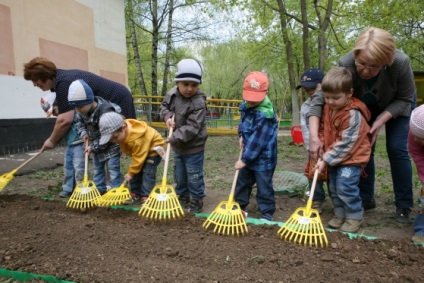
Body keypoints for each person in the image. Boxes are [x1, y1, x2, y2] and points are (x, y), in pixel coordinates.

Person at [308, 27, 416, 224]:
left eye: (374, 66)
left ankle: (403, 204)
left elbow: (406, 98)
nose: (366, 71)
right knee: (364, 147)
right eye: (362, 64)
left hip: (396, 105)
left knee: (396, 148)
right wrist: (315, 137)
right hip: (363, 106)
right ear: (355, 55)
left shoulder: (400, 63)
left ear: (386, 62)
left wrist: (379, 121)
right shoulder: (345, 63)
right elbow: (318, 100)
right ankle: (366, 199)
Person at [23, 57, 136, 152]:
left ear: (44, 76)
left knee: (125, 139)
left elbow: (64, 120)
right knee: (113, 142)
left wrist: (52, 141)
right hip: (113, 100)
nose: (34, 84)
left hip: (118, 98)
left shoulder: (63, 83)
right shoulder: (60, 81)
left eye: (35, 80)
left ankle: (130, 170)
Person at [314, 67, 371, 233]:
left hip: (352, 157)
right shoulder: (329, 108)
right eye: (327, 97)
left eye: (335, 98)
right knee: (334, 186)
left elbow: (347, 143)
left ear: (349, 93)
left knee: (346, 186)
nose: (330, 101)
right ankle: (340, 213)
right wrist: (321, 144)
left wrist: (326, 159)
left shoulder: (353, 115)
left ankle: (354, 215)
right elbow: (324, 128)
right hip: (334, 156)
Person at [159, 58, 208, 213]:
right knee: (179, 174)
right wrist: (167, 117)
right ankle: (182, 195)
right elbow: (164, 107)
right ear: (177, 83)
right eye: (185, 84)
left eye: (194, 85)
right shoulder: (172, 95)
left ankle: (196, 199)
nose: (189, 89)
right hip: (178, 146)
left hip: (194, 146)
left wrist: (174, 137)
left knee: (194, 175)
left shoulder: (199, 102)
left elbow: (193, 127)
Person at [234, 71, 278, 221]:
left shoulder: (265, 115)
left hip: (263, 158)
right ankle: (239, 206)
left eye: (255, 98)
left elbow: (257, 141)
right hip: (249, 153)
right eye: (249, 97)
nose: (251, 101)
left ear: (264, 93)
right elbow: (242, 123)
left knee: (264, 185)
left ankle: (266, 211)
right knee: (242, 181)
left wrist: (244, 160)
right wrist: (241, 135)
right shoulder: (246, 107)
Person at [98, 112, 165, 205]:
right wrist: (133, 171)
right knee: (136, 170)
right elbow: (137, 156)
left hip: (154, 149)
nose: (114, 141)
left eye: (115, 137)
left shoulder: (136, 139)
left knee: (147, 171)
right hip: (141, 150)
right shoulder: (123, 131)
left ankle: (146, 195)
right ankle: (135, 193)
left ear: (123, 127)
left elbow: (139, 157)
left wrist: (131, 173)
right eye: (111, 140)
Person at [68, 79, 122, 194]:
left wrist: (92, 148)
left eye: (80, 107)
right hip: (96, 145)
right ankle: (99, 191)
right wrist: (83, 132)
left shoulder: (105, 113)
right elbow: (79, 123)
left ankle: (115, 192)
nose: (78, 110)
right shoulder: (81, 110)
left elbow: (105, 139)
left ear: (90, 100)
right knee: (98, 169)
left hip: (110, 144)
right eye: (76, 108)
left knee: (113, 169)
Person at [40, 94, 84, 198]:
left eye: (54, 110)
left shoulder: (74, 113)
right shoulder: (61, 118)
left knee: (79, 168)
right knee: (68, 167)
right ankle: (68, 189)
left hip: (80, 144)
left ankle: (81, 189)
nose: (54, 114)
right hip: (69, 145)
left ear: (58, 104)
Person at [298, 68, 327, 213]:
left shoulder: (331, 102)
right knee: (313, 173)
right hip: (314, 147)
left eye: (313, 88)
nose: (310, 92)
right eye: (306, 89)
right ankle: (316, 199)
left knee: (333, 174)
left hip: (330, 146)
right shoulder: (305, 107)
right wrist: (311, 147)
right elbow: (305, 129)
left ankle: (338, 200)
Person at [408, 105, 424, 245]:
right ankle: (421, 230)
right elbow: (417, 154)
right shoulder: (414, 135)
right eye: (416, 137)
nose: (418, 140)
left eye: (422, 139)